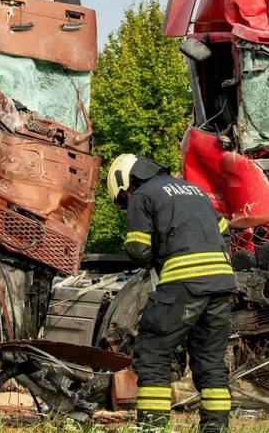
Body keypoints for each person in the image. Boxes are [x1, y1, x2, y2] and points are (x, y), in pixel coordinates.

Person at [106, 154, 235, 433]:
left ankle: (153, 427)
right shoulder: (194, 191)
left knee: (153, 353)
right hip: (222, 283)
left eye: (123, 199)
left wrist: (159, 260)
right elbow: (225, 232)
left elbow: (139, 250)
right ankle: (216, 429)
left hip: (183, 283)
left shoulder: (142, 195)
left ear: (124, 183)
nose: (127, 203)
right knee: (211, 359)